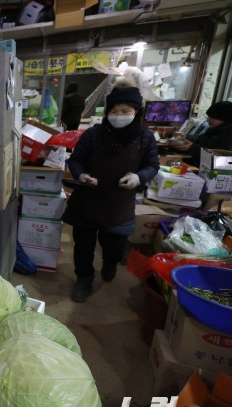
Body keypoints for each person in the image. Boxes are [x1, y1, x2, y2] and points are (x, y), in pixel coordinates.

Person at [62, 85, 160, 303]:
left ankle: (110, 261)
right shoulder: (93, 134)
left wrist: (138, 177)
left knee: (114, 245)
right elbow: (76, 160)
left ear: (136, 112)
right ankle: (84, 278)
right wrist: (82, 175)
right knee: (83, 246)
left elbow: (152, 165)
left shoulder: (145, 138)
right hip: (88, 200)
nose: (118, 116)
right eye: (114, 111)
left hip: (119, 203)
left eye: (125, 111)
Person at [172, 100, 232, 167]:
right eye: (208, 117)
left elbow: (221, 157)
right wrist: (186, 136)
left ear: (224, 119)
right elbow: (202, 139)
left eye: (211, 118)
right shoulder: (218, 127)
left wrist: (192, 148)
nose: (208, 120)